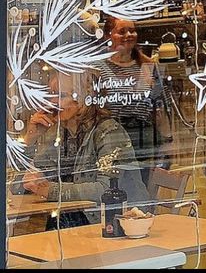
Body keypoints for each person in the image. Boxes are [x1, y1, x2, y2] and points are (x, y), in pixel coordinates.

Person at [20, 74, 150, 221]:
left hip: (119, 222)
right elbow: (19, 186)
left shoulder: (108, 132)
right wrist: (30, 139)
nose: (53, 102)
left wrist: (51, 190)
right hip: (79, 220)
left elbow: (106, 188)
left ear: (83, 99)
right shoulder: (60, 133)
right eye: (50, 95)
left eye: (61, 95)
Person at [99, 15, 172, 167]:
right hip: (112, 140)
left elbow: (161, 107)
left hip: (143, 142)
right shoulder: (99, 67)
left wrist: (167, 144)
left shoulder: (147, 65)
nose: (128, 35)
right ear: (108, 35)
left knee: (142, 188)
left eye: (132, 31)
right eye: (122, 31)